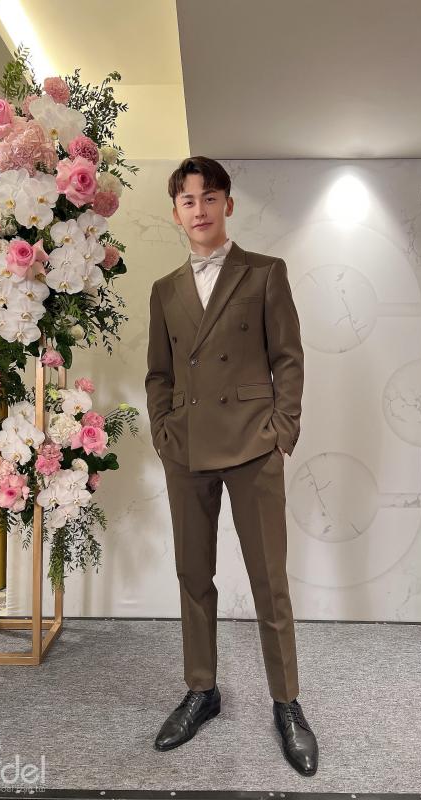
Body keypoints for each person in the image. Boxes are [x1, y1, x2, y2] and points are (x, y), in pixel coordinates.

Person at [144, 156, 318, 777]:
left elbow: (288, 358)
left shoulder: (265, 272)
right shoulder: (165, 289)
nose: (200, 210)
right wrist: (163, 432)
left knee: (270, 580)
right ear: (176, 212)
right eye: (188, 200)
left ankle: (287, 702)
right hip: (186, 449)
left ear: (228, 205)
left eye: (210, 197)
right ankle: (202, 689)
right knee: (193, 574)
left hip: (252, 446)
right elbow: (159, 373)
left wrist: (281, 432)